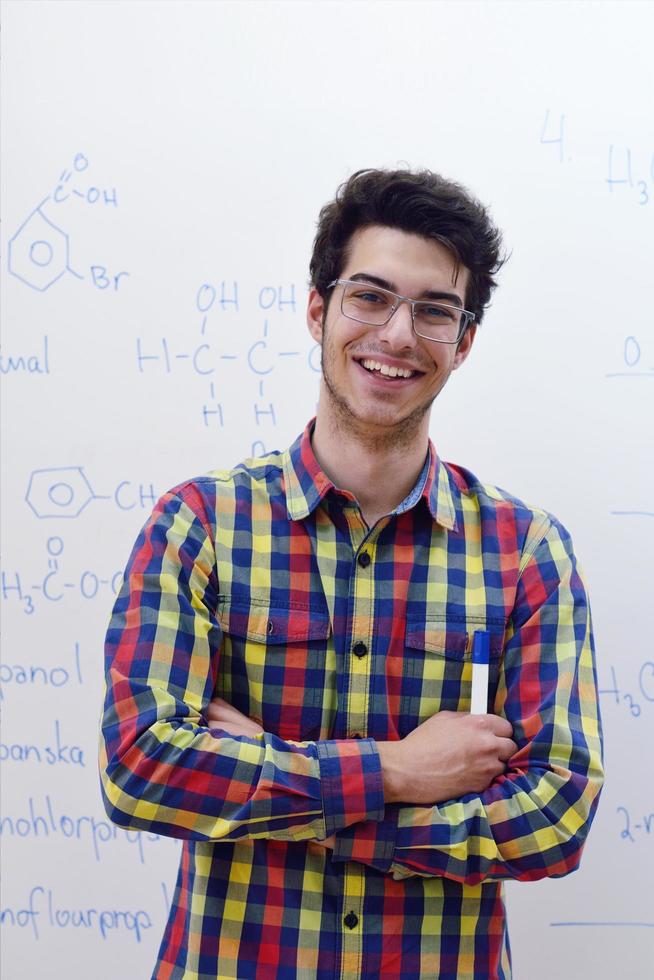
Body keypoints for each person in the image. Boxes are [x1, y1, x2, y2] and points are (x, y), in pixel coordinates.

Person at [100, 168, 604, 979]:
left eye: (435, 311)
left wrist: (318, 804)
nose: (399, 335)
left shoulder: (526, 552)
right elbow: (142, 770)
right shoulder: (201, 525)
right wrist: (401, 772)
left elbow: (556, 815)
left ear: (464, 342)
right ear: (318, 310)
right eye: (369, 296)